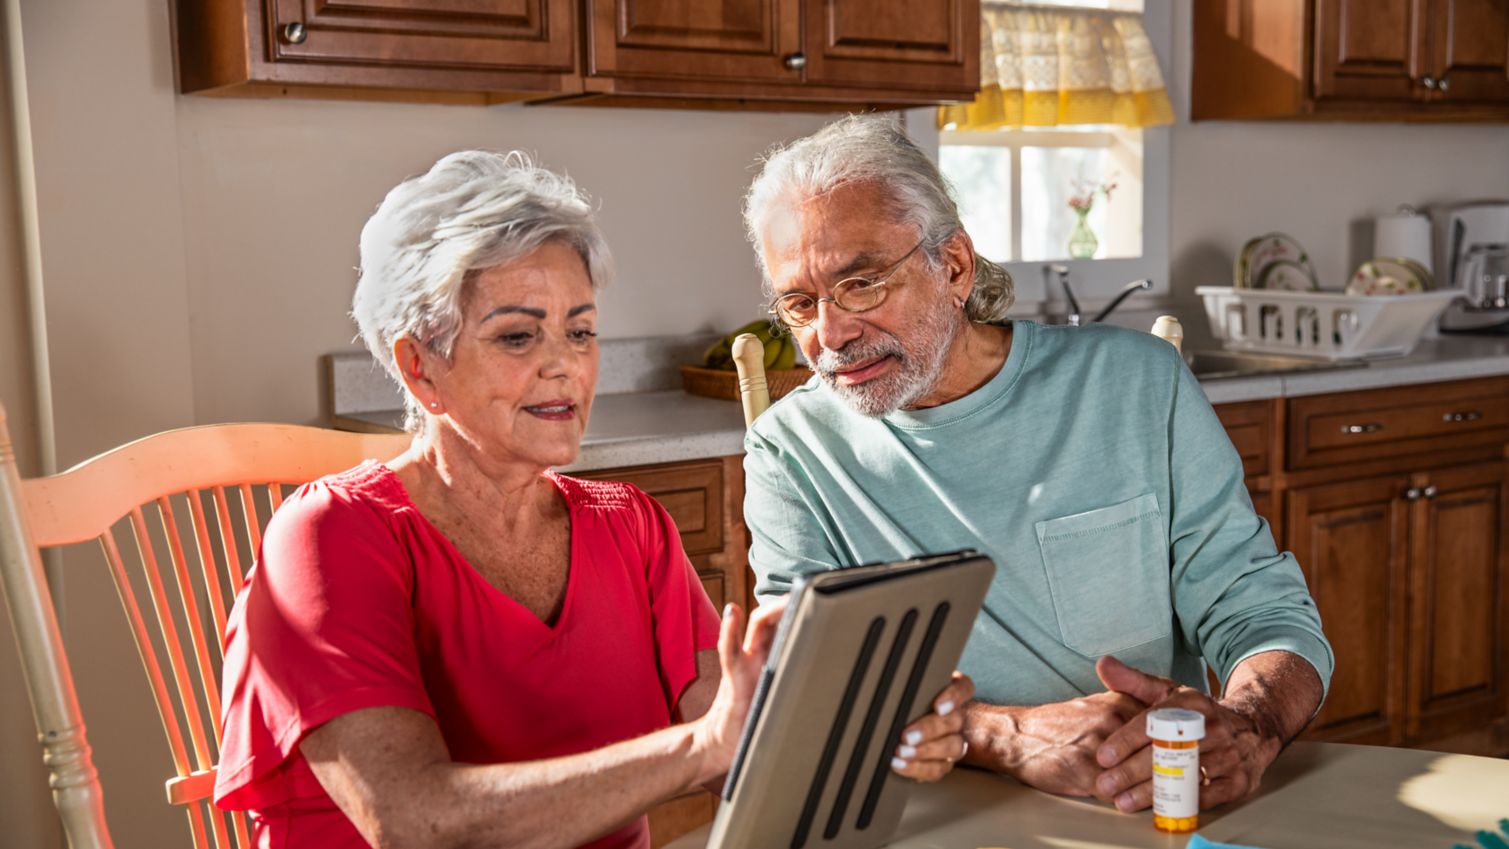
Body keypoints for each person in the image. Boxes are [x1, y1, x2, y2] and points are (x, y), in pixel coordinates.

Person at [213, 150, 974, 849]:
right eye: (517, 337)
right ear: (419, 367)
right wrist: (702, 745)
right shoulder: (331, 536)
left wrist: (878, 729)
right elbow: (416, 821)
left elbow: (739, 746)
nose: (563, 368)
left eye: (579, 332)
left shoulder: (628, 527)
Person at [738, 115, 1333, 816]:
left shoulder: (1136, 382)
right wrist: (1005, 734)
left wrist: (1249, 727)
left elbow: (1261, 611)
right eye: (799, 304)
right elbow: (810, 687)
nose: (829, 334)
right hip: (937, 817)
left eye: (861, 283)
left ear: (952, 265)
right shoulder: (789, 449)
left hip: (1150, 809)